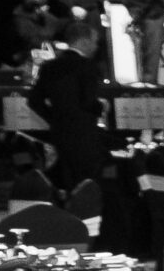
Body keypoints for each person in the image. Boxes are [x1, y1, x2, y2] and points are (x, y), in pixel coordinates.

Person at [29, 18, 109, 189]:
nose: (96, 47)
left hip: (59, 134)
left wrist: (54, 118)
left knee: (64, 180)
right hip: (84, 136)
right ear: (84, 41)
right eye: (94, 42)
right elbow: (87, 102)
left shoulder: (50, 67)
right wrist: (102, 106)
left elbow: (34, 101)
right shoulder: (88, 67)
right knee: (86, 184)